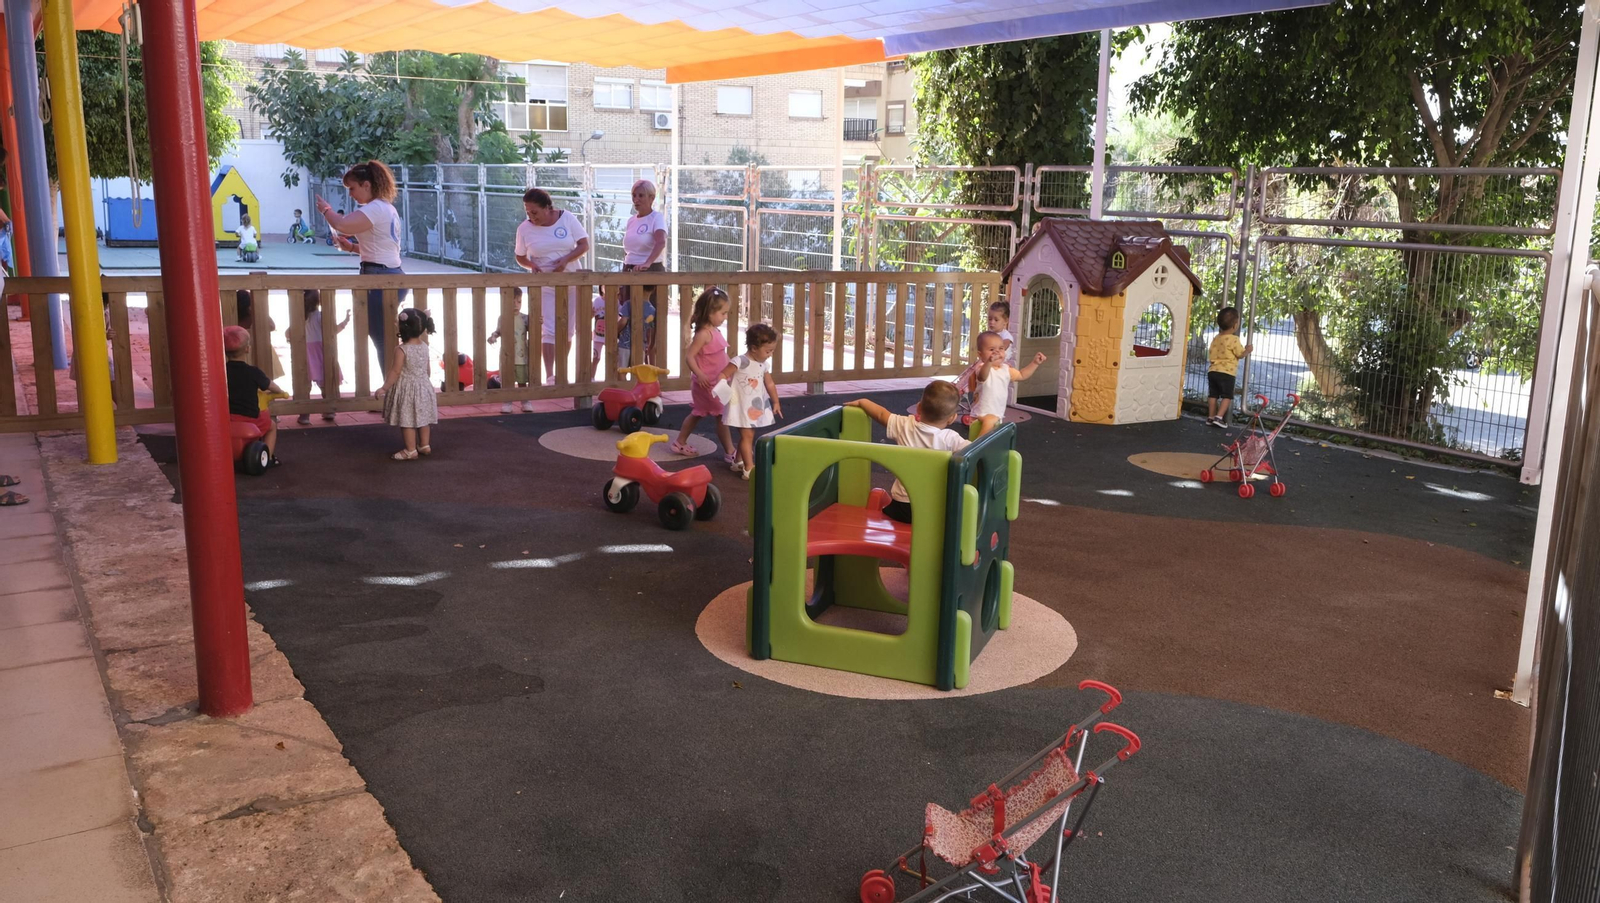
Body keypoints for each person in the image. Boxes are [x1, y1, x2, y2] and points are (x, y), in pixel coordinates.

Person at [317, 161, 407, 373]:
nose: (351, 194)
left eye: (353, 188)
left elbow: (342, 224)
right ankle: (393, 389)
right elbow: (382, 248)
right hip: (390, 273)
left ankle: (390, 391)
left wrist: (326, 210)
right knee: (384, 337)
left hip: (379, 278)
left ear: (367, 185)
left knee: (382, 339)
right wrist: (352, 248)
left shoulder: (375, 208)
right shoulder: (387, 208)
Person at [845, 383, 969, 525]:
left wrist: (863, 402)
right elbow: (975, 450)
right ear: (952, 418)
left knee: (885, 510)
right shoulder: (950, 438)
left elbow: (880, 414)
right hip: (934, 508)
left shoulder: (904, 426)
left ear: (918, 408)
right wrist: (986, 425)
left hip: (902, 506)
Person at [515, 188, 590, 384]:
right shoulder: (524, 228)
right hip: (545, 284)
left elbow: (584, 244)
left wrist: (565, 260)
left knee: (568, 328)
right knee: (549, 329)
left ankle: (561, 370)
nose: (532, 217)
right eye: (528, 212)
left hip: (571, 281)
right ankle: (550, 375)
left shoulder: (567, 218)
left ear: (548, 208)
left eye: (535, 212)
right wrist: (532, 265)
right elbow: (520, 256)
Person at [670, 287, 736, 463]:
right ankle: (730, 452)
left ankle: (680, 442)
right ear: (710, 313)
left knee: (700, 413)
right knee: (721, 415)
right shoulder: (703, 334)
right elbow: (689, 356)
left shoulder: (714, 331)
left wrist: (732, 367)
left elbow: (720, 354)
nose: (725, 317)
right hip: (707, 385)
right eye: (723, 313)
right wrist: (699, 374)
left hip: (717, 383)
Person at [715, 323, 781, 480]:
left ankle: (738, 461)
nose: (770, 354)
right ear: (753, 348)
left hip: (755, 404)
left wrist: (776, 401)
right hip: (741, 405)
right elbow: (723, 374)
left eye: (772, 351)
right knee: (747, 436)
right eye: (768, 351)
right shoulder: (740, 361)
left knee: (748, 434)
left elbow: (769, 383)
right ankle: (749, 468)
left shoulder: (763, 364)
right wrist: (721, 385)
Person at [376, 308, 439, 460]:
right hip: (423, 387)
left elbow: (395, 372)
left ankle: (410, 450)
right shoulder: (424, 346)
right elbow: (427, 369)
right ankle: (424, 445)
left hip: (407, 390)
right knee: (422, 418)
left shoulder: (401, 349)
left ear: (403, 328)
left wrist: (384, 387)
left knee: (407, 420)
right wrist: (424, 383)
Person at [961, 331, 1047, 438]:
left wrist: (1034, 363)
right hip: (981, 414)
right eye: (991, 350)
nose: (997, 352)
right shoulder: (982, 368)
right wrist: (989, 362)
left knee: (994, 437)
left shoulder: (1006, 369)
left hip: (997, 414)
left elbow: (1021, 375)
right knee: (989, 424)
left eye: (1001, 348)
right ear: (980, 354)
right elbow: (982, 377)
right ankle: (976, 449)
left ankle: (982, 449)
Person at [621, 180, 667, 360]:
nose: (636, 199)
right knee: (628, 315)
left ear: (651, 198)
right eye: (634, 195)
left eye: (640, 195)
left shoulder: (657, 217)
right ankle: (630, 359)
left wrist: (648, 263)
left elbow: (660, 242)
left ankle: (652, 359)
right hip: (630, 269)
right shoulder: (631, 220)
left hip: (651, 271)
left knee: (651, 319)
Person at [224, 325, 283, 466]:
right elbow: (270, 385)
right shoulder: (253, 372)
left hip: (227, 417)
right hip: (249, 419)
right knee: (271, 426)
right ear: (247, 349)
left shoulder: (221, 371)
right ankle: (267, 458)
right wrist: (279, 391)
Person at [297, 289, 348, 425]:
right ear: (319, 301)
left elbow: (289, 333)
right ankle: (328, 410)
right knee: (326, 381)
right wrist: (345, 322)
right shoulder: (321, 316)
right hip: (322, 350)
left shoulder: (300, 317)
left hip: (306, 351)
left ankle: (304, 415)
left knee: (304, 384)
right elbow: (333, 331)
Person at [487, 287, 534, 414]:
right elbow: (498, 331)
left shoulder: (525, 318)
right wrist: (493, 337)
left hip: (522, 356)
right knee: (508, 381)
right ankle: (507, 402)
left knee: (522, 380)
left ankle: (525, 401)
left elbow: (534, 327)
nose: (516, 305)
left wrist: (539, 322)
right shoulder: (502, 318)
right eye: (512, 302)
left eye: (519, 302)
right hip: (507, 356)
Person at [1207, 306, 1253, 428]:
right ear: (1235, 325)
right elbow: (1240, 354)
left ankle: (1211, 417)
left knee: (1213, 395)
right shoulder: (1234, 339)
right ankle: (1219, 417)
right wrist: (1247, 350)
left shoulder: (1216, 338)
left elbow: (1211, 352)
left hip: (1213, 371)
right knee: (1227, 396)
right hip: (1227, 372)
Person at [614, 291, 656, 370]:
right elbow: (650, 331)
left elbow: (623, 321)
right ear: (653, 290)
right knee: (637, 372)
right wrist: (649, 345)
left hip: (624, 344)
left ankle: (623, 382)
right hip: (640, 346)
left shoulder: (628, 304)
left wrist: (615, 332)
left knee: (621, 371)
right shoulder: (652, 309)